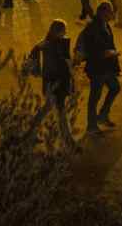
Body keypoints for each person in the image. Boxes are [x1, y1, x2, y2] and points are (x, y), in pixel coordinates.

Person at [76, 2, 121, 136]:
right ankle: (91, 126)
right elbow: (92, 49)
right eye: (110, 12)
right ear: (102, 12)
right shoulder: (93, 28)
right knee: (95, 96)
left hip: (106, 66)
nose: (112, 14)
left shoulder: (104, 25)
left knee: (115, 88)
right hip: (97, 67)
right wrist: (105, 53)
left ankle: (102, 115)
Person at [31, 19, 77, 150]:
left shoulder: (49, 43)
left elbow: (36, 49)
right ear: (58, 31)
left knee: (48, 108)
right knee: (60, 111)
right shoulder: (50, 44)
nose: (65, 33)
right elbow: (64, 64)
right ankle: (68, 140)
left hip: (54, 82)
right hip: (55, 83)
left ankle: (31, 131)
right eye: (63, 31)